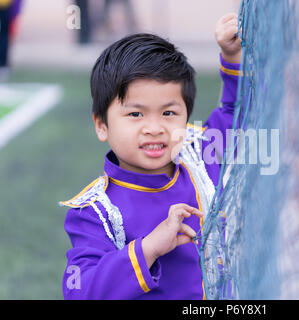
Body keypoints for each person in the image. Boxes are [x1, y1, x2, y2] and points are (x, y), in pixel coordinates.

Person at [60, 13, 242, 300]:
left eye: (169, 113)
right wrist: (150, 248)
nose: (155, 128)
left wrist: (232, 57)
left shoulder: (201, 152)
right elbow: (78, 291)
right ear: (101, 125)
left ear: (186, 116)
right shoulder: (96, 212)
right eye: (135, 114)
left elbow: (238, 113)